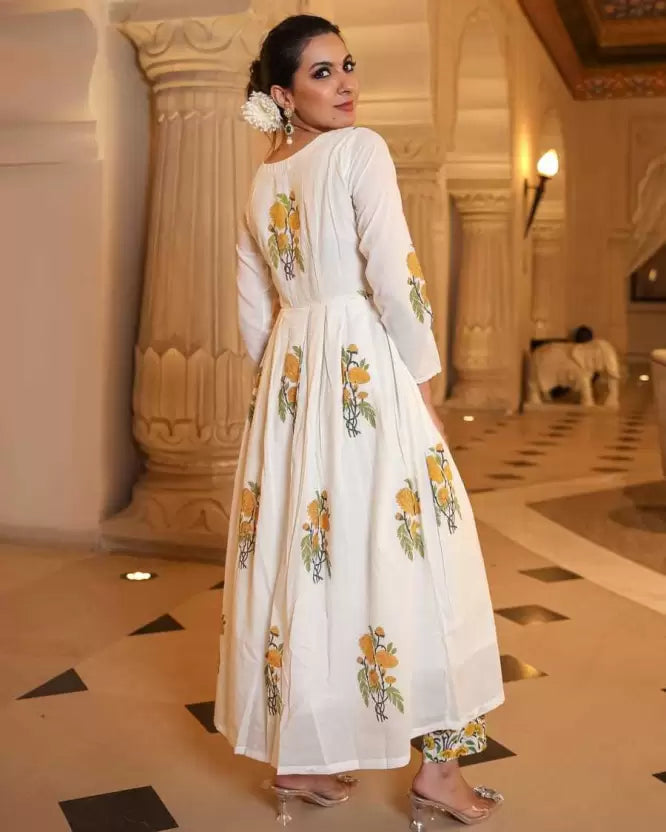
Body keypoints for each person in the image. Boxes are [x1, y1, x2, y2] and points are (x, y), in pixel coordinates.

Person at [214, 14, 505, 828]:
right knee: (423, 554)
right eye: (321, 72)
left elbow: (252, 311)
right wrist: (425, 386)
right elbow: (395, 274)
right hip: (364, 371)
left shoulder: (263, 180)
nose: (344, 84)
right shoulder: (359, 150)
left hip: (295, 379)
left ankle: (302, 760)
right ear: (282, 95)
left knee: (309, 558)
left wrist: (281, 398)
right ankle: (439, 773)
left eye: (347, 65)